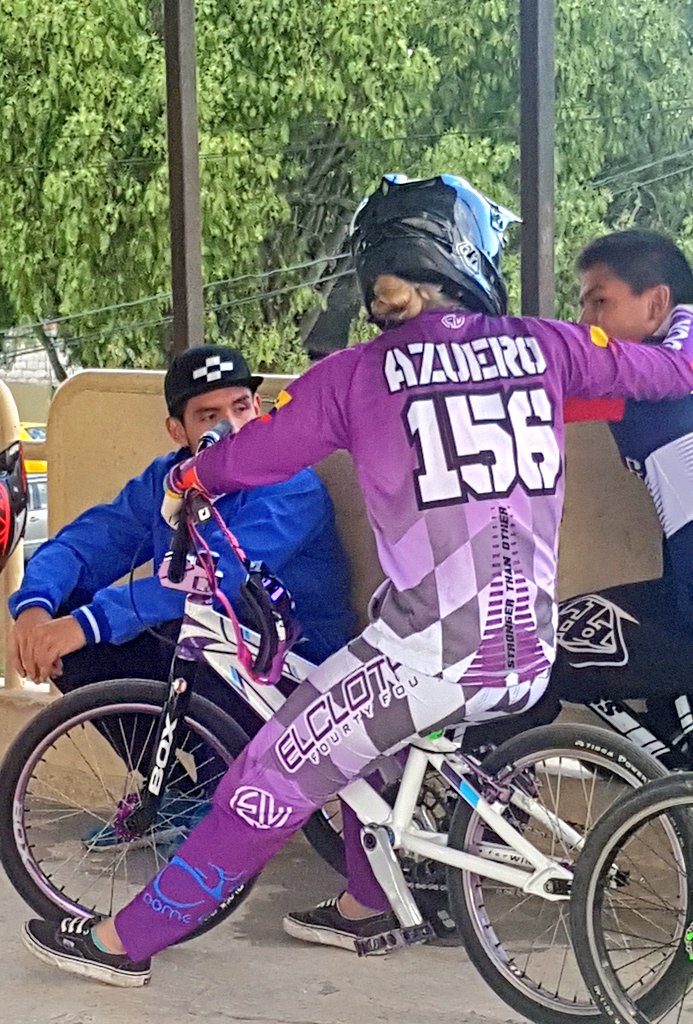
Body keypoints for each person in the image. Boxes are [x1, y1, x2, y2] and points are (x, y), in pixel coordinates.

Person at [20, 174, 693, 987]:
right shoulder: (551, 345)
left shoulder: (355, 375)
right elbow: (674, 366)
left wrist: (188, 482)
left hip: (426, 656)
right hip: (529, 648)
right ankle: (370, 909)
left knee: (265, 775)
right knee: (371, 750)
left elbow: (246, 456)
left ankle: (123, 943)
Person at [8, 345, 354, 839]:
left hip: (293, 673)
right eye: (209, 415)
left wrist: (87, 624)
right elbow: (88, 542)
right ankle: (170, 793)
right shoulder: (169, 481)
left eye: (241, 407)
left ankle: (219, 803)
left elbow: (215, 581)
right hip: (215, 652)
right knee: (74, 628)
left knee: (183, 625)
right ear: (179, 431)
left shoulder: (289, 484)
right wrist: (35, 608)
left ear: (259, 409)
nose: (231, 426)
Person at [549, 230, 693, 746]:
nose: (584, 322)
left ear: (657, 304)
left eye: (599, 302)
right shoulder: (632, 382)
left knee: (533, 646)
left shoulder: (652, 369)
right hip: (678, 595)